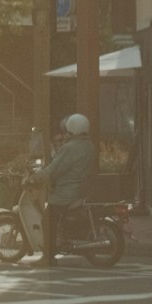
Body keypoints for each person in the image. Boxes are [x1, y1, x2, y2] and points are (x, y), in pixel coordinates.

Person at [34, 112, 96, 266]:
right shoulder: (88, 145)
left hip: (67, 192)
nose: (66, 133)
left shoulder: (69, 148)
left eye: (67, 130)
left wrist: (37, 177)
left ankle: (48, 257)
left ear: (72, 129)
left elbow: (54, 169)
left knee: (47, 218)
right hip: (81, 189)